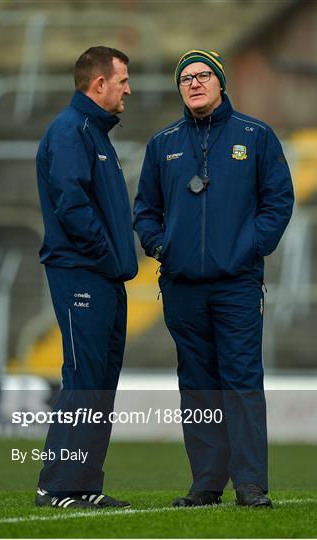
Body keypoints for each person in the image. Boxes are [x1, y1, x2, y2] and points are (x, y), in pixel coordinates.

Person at [134, 49, 294, 508]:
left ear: (221, 82)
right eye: (186, 78)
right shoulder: (163, 143)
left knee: (241, 380)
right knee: (197, 384)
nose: (195, 83)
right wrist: (163, 247)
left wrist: (248, 248)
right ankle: (206, 484)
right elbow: (145, 210)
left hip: (237, 285)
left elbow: (278, 201)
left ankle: (250, 484)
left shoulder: (256, 135)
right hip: (182, 286)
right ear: (179, 89)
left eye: (204, 75)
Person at [35, 46, 138, 509]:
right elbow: (71, 205)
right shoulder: (71, 132)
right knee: (84, 377)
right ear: (100, 85)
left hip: (103, 277)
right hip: (83, 273)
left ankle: (83, 485)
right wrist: (105, 256)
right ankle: (58, 487)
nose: (128, 90)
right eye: (123, 81)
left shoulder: (94, 134)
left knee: (98, 380)